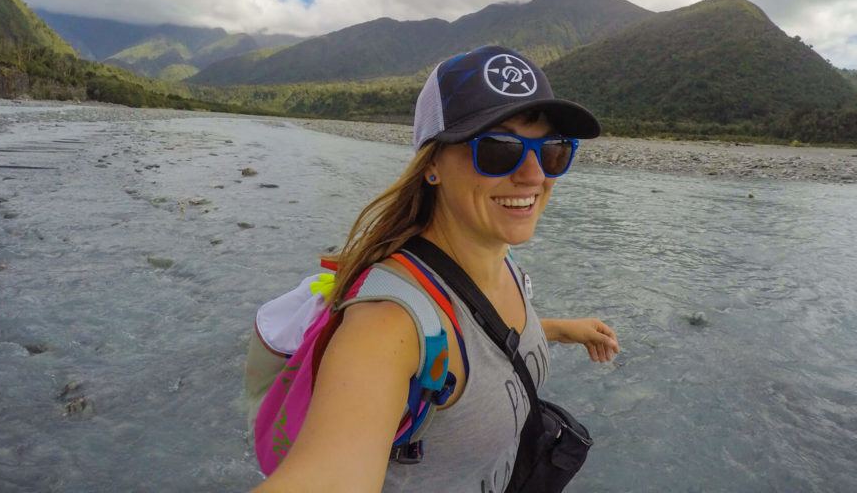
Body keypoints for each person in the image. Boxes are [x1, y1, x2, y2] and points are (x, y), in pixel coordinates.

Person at [252, 45, 619, 493]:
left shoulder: (499, 258)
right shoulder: (387, 326)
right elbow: (329, 475)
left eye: (553, 151)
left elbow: (480, 338)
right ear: (432, 166)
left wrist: (561, 329)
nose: (533, 174)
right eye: (500, 149)